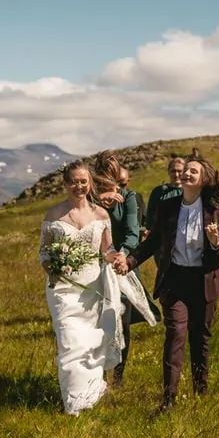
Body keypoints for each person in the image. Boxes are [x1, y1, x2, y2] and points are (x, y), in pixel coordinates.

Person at [112, 156, 219, 416]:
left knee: (200, 339)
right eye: (186, 170)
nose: (186, 174)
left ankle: (200, 392)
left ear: (203, 179)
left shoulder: (216, 207)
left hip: (204, 281)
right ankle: (169, 399)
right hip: (175, 280)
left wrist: (214, 241)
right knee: (175, 336)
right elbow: (153, 241)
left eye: (193, 171)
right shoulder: (168, 206)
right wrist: (130, 262)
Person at [39, 160, 154, 415]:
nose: (78, 186)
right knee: (69, 342)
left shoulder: (100, 214)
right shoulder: (53, 215)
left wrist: (119, 259)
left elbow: (107, 250)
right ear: (65, 183)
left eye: (83, 181)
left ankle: (91, 391)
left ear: (89, 183)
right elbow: (44, 253)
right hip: (62, 289)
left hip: (92, 288)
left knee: (90, 342)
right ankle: (74, 402)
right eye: (73, 182)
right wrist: (53, 269)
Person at [92, 155, 160, 387]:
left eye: (121, 184)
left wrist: (122, 255)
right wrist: (99, 199)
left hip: (122, 266)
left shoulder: (129, 198)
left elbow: (132, 232)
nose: (118, 189)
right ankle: (96, 376)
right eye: (111, 184)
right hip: (92, 268)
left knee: (121, 319)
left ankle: (117, 378)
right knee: (94, 322)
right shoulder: (90, 200)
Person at [144, 156, 185, 239]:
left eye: (180, 171)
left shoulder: (191, 191)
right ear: (168, 172)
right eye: (173, 171)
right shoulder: (159, 192)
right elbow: (150, 216)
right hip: (161, 237)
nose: (176, 175)